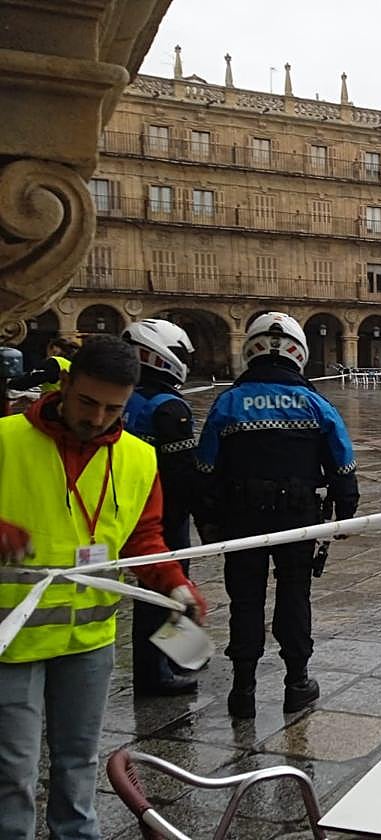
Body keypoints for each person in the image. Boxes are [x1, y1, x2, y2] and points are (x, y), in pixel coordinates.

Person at [0, 334, 207, 840]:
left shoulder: (139, 458)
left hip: (89, 640)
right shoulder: (5, 440)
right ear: (65, 385)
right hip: (11, 639)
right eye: (87, 402)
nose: (96, 418)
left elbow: (143, 537)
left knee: (79, 761)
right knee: (13, 772)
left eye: (113, 409)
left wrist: (174, 583)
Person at [195, 312, 359, 719]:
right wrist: (345, 510)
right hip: (298, 516)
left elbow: (205, 468)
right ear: (298, 353)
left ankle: (243, 690)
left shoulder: (228, 402)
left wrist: (209, 521)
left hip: (241, 516)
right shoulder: (315, 403)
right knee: (294, 596)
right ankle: (297, 682)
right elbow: (342, 462)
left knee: (245, 600)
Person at [122, 319, 202, 695]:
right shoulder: (169, 407)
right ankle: (161, 670)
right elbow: (184, 475)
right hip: (165, 514)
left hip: (125, 505)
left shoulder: (128, 399)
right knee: (167, 588)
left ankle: (179, 656)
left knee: (152, 590)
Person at [8, 337, 79, 393]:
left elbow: (33, 378)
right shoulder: (70, 364)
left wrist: (10, 383)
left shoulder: (55, 362)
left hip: (52, 402)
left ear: (54, 349)